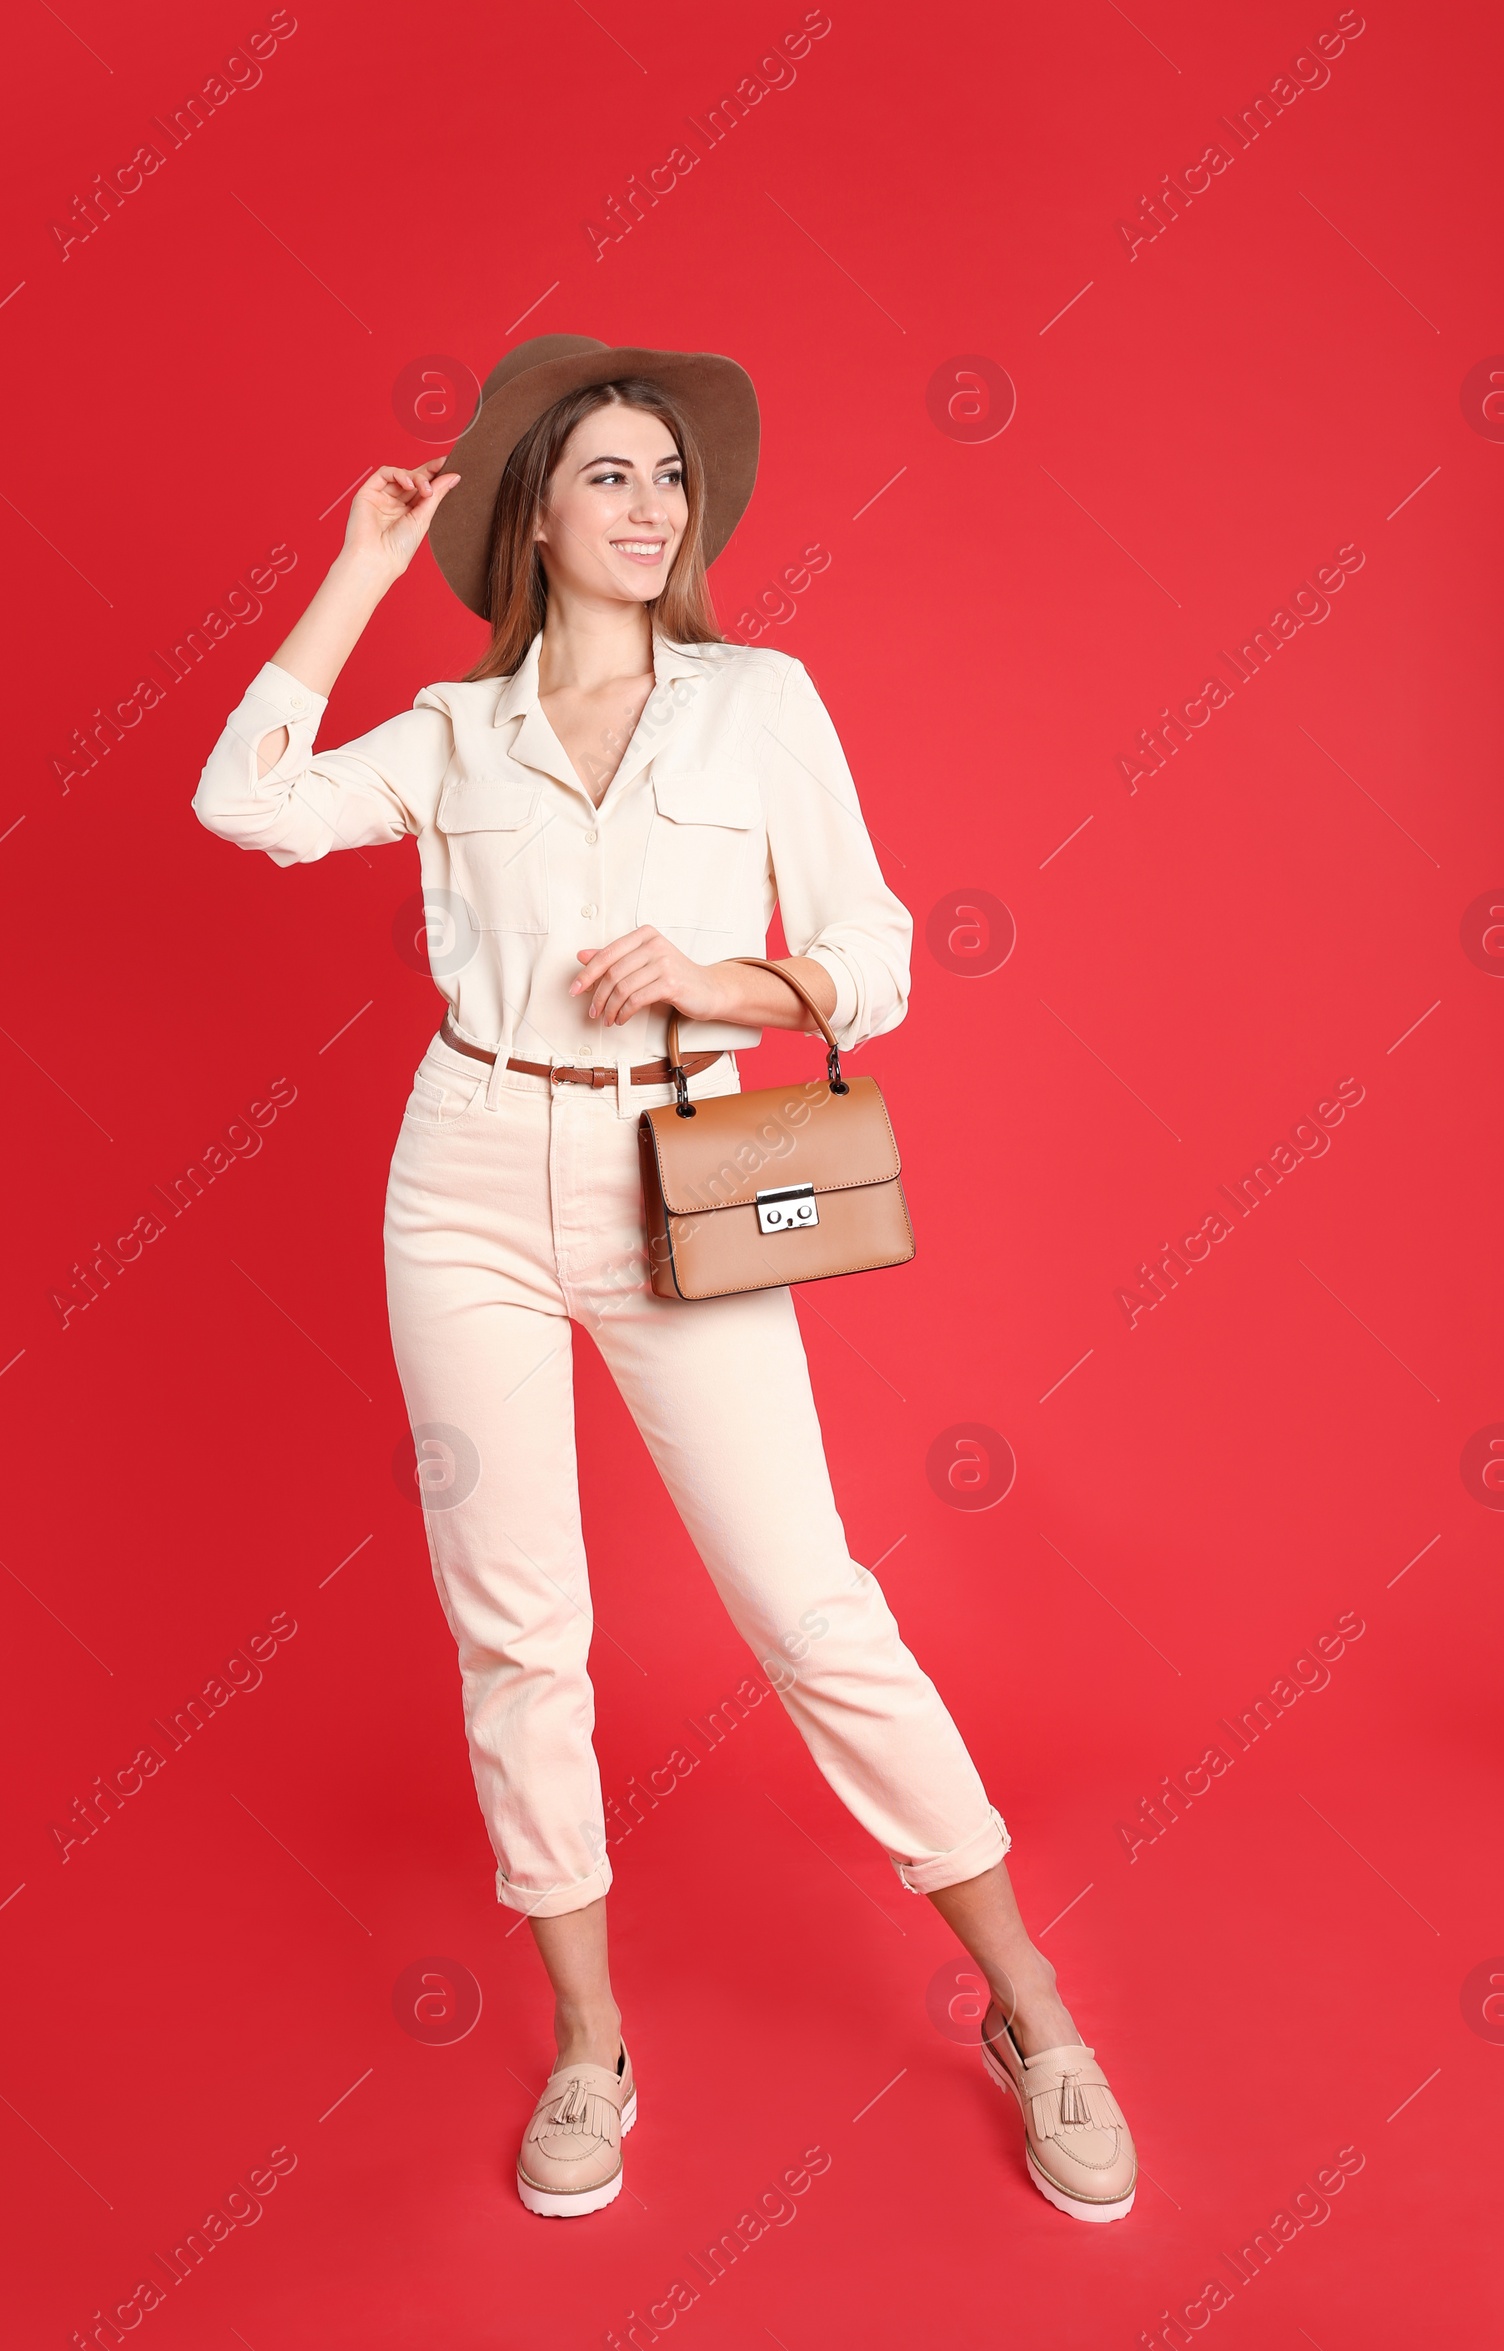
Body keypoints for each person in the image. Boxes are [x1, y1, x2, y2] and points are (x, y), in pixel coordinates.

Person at [190, 335, 1137, 2225]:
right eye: (610, 474)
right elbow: (245, 804)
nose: (650, 506)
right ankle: (590, 2046)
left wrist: (736, 983)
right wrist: (358, 577)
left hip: (674, 1175)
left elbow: (873, 949)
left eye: (669, 480)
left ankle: (1032, 2004)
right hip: (462, 1175)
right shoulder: (459, 734)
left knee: (809, 1604)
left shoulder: (758, 701)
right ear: (534, 509)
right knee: (519, 1632)